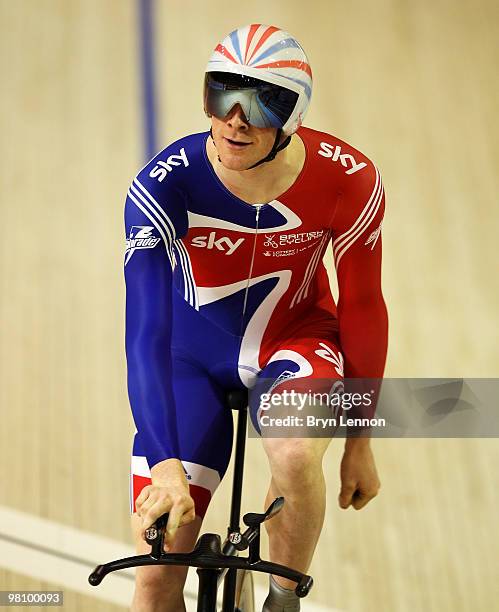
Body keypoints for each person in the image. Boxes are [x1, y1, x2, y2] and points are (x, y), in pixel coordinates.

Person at [125, 24, 388, 612]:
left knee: (294, 455)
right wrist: (165, 465)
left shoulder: (350, 181)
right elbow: (144, 333)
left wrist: (360, 439)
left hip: (295, 341)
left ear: (293, 116)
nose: (237, 118)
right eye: (223, 94)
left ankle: (283, 597)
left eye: (263, 99)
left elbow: (364, 307)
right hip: (189, 356)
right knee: (154, 576)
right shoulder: (161, 186)